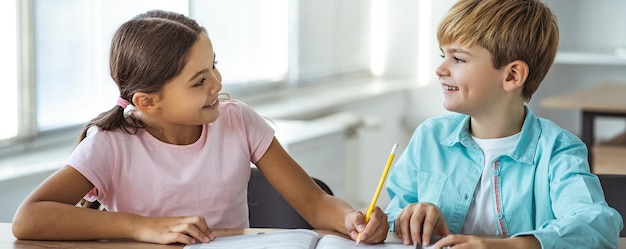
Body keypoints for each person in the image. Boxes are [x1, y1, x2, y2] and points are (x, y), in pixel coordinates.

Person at [12, 10, 388, 245]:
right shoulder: (110, 144)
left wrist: (349, 218)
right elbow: (29, 218)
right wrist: (142, 227)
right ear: (147, 101)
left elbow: (315, 202)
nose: (217, 84)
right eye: (198, 81)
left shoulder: (237, 120)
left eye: (214, 67)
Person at [384, 0, 623, 248]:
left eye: (458, 59)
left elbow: (597, 226)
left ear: (512, 76)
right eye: (443, 55)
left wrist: (512, 246)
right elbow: (395, 211)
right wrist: (406, 216)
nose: (440, 69)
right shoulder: (429, 137)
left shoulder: (557, 150)